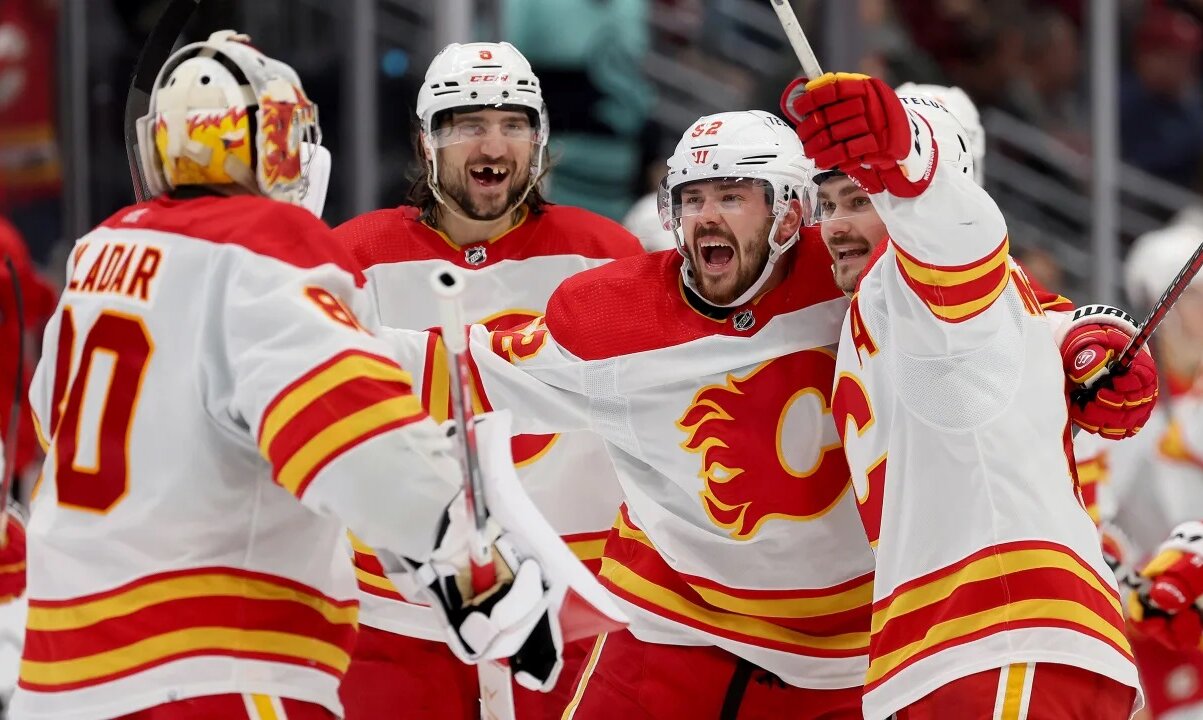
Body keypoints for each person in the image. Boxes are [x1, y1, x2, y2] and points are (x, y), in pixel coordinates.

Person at [374, 105, 1153, 718]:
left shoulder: (851, 272)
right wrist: (324, 346)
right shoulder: (609, 315)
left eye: (732, 197)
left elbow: (992, 306)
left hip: (850, 657)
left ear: (789, 213)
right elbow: (466, 367)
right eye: (693, 199)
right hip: (677, 629)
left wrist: (1088, 336)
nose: (707, 217)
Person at [11, 31, 566, 720]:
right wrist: (479, 575)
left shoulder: (100, 252)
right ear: (271, 144)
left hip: (58, 680)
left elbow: (49, 418)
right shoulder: (262, 249)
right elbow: (361, 442)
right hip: (211, 670)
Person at [781, 71, 1149, 718]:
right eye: (829, 204)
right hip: (944, 653)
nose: (835, 225)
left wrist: (906, 157)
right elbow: (1033, 328)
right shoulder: (886, 306)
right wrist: (1087, 334)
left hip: (1003, 635)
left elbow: (958, 235)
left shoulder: (928, 279)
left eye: (860, 198)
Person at [332, 41, 640, 720]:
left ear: (540, 139)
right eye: (469, 124)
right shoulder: (354, 257)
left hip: (562, 605)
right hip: (398, 612)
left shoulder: (605, 257)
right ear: (427, 142)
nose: (492, 143)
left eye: (513, 123)